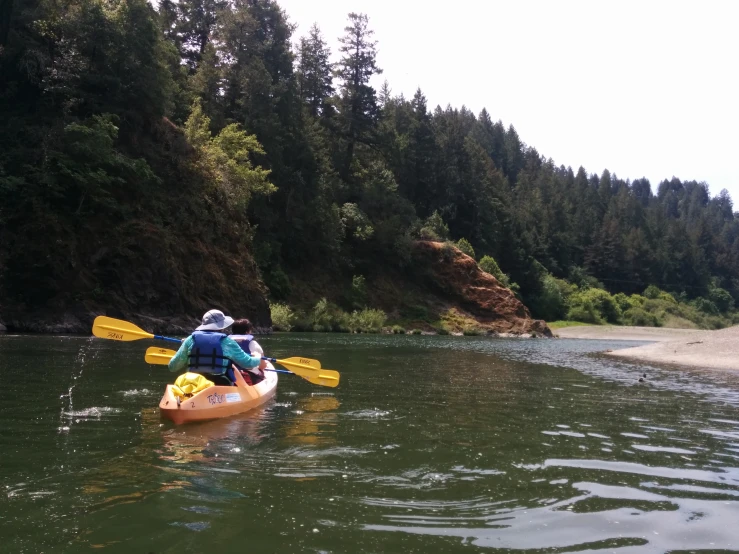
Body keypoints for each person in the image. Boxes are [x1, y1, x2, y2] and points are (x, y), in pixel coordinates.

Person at [168, 309, 262, 386]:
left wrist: (185, 350)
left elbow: (172, 367)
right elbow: (248, 363)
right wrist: (257, 357)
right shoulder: (227, 342)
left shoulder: (190, 339)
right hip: (219, 383)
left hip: (192, 382)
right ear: (221, 326)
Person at [231, 318, 267, 385]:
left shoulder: (226, 343)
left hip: (231, 374)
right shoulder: (253, 344)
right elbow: (262, 366)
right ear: (247, 331)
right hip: (250, 376)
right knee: (261, 373)